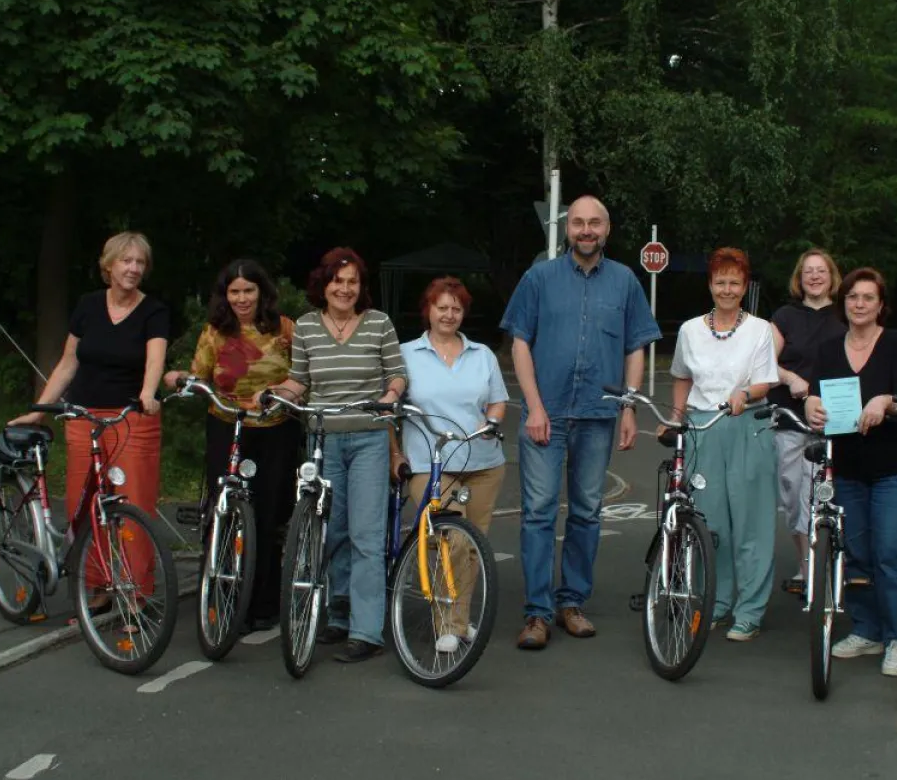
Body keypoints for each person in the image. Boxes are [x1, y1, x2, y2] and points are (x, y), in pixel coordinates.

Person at [500, 195, 661, 650]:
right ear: (566, 228)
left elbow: (636, 345)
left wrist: (627, 406)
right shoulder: (540, 278)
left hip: (598, 415)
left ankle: (572, 604)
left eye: (594, 223)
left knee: (588, 512)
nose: (586, 230)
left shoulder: (626, 281)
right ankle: (536, 613)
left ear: (607, 229)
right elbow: (519, 343)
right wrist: (532, 406)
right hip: (545, 416)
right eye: (578, 223)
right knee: (538, 514)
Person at [261, 247, 406, 663]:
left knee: (365, 535)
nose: (344, 289)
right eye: (337, 281)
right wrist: (276, 394)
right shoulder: (307, 326)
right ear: (323, 285)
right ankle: (338, 612)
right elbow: (299, 380)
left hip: (368, 438)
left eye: (352, 282)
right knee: (331, 531)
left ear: (361, 287)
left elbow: (396, 372)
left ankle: (366, 630)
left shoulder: (378, 323)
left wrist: (389, 396)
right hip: (323, 439)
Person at [10, 231, 169, 611]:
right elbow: (68, 363)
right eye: (126, 261)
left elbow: (154, 360)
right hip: (83, 415)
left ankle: (134, 592)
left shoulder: (154, 311)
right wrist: (39, 410)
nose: (133, 269)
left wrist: (148, 394)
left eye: (140, 262)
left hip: (131, 418)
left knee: (133, 505)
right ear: (109, 265)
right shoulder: (87, 305)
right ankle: (96, 587)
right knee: (85, 503)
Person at [163, 259, 301, 632]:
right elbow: (200, 374)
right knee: (225, 511)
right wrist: (179, 378)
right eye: (234, 291)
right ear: (225, 296)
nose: (242, 298)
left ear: (262, 292)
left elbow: (302, 375)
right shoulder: (215, 332)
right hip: (228, 426)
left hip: (275, 430)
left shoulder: (285, 329)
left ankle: (264, 604)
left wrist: (279, 394)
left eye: (248, 290)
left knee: (269, 515)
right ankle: (223, 599)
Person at [806, 267, 897, 677]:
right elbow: (817, 396)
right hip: (849, 466)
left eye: (867, 298)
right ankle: (866, 628)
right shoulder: (828, 349)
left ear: (880, 305)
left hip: (894, 466)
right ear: (844, 302)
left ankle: (895, 637)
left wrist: (886, 400)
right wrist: (810, 406)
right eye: (853, 297)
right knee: (856, 551)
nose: (859, 304)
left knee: (889, 552)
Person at [392, 276, 509, 653]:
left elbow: (497, 402)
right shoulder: (406, 354)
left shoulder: (482, 354)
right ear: (427, 310)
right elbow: (389, 411)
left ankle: (458, 619)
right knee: (450, 540)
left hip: (483, 461)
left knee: (473, 547)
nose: (449, 314)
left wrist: (490, 422)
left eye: (456, 308)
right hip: (431, 461)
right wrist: (395, 453)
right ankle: (449, 622)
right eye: (442, 307)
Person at [668, 247, 778, 641]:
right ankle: (716, 599)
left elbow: (766, 379)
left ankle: (749, 609)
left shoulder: (760, 329)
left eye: (734, 282)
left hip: (747, 424)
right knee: (710, 523)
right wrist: (677, 416)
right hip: (702, 427)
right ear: (710, 285)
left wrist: (746, 394)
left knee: (751, 523)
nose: (727, 289)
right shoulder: (690, 330)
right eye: (720, 282)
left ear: (744, 286)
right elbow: (682, 375)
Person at [769, 248, 845, 596]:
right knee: (793, 490)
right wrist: (790, 379)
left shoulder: (846, 313)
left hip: (833, 418)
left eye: (821, 271)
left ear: (832, 276)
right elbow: (765, 361)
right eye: (808, 272)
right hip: (790, 416)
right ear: (800, 279)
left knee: (822, 494)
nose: (814, 277)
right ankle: (805, 567)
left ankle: (828, 564)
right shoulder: (785, 316)